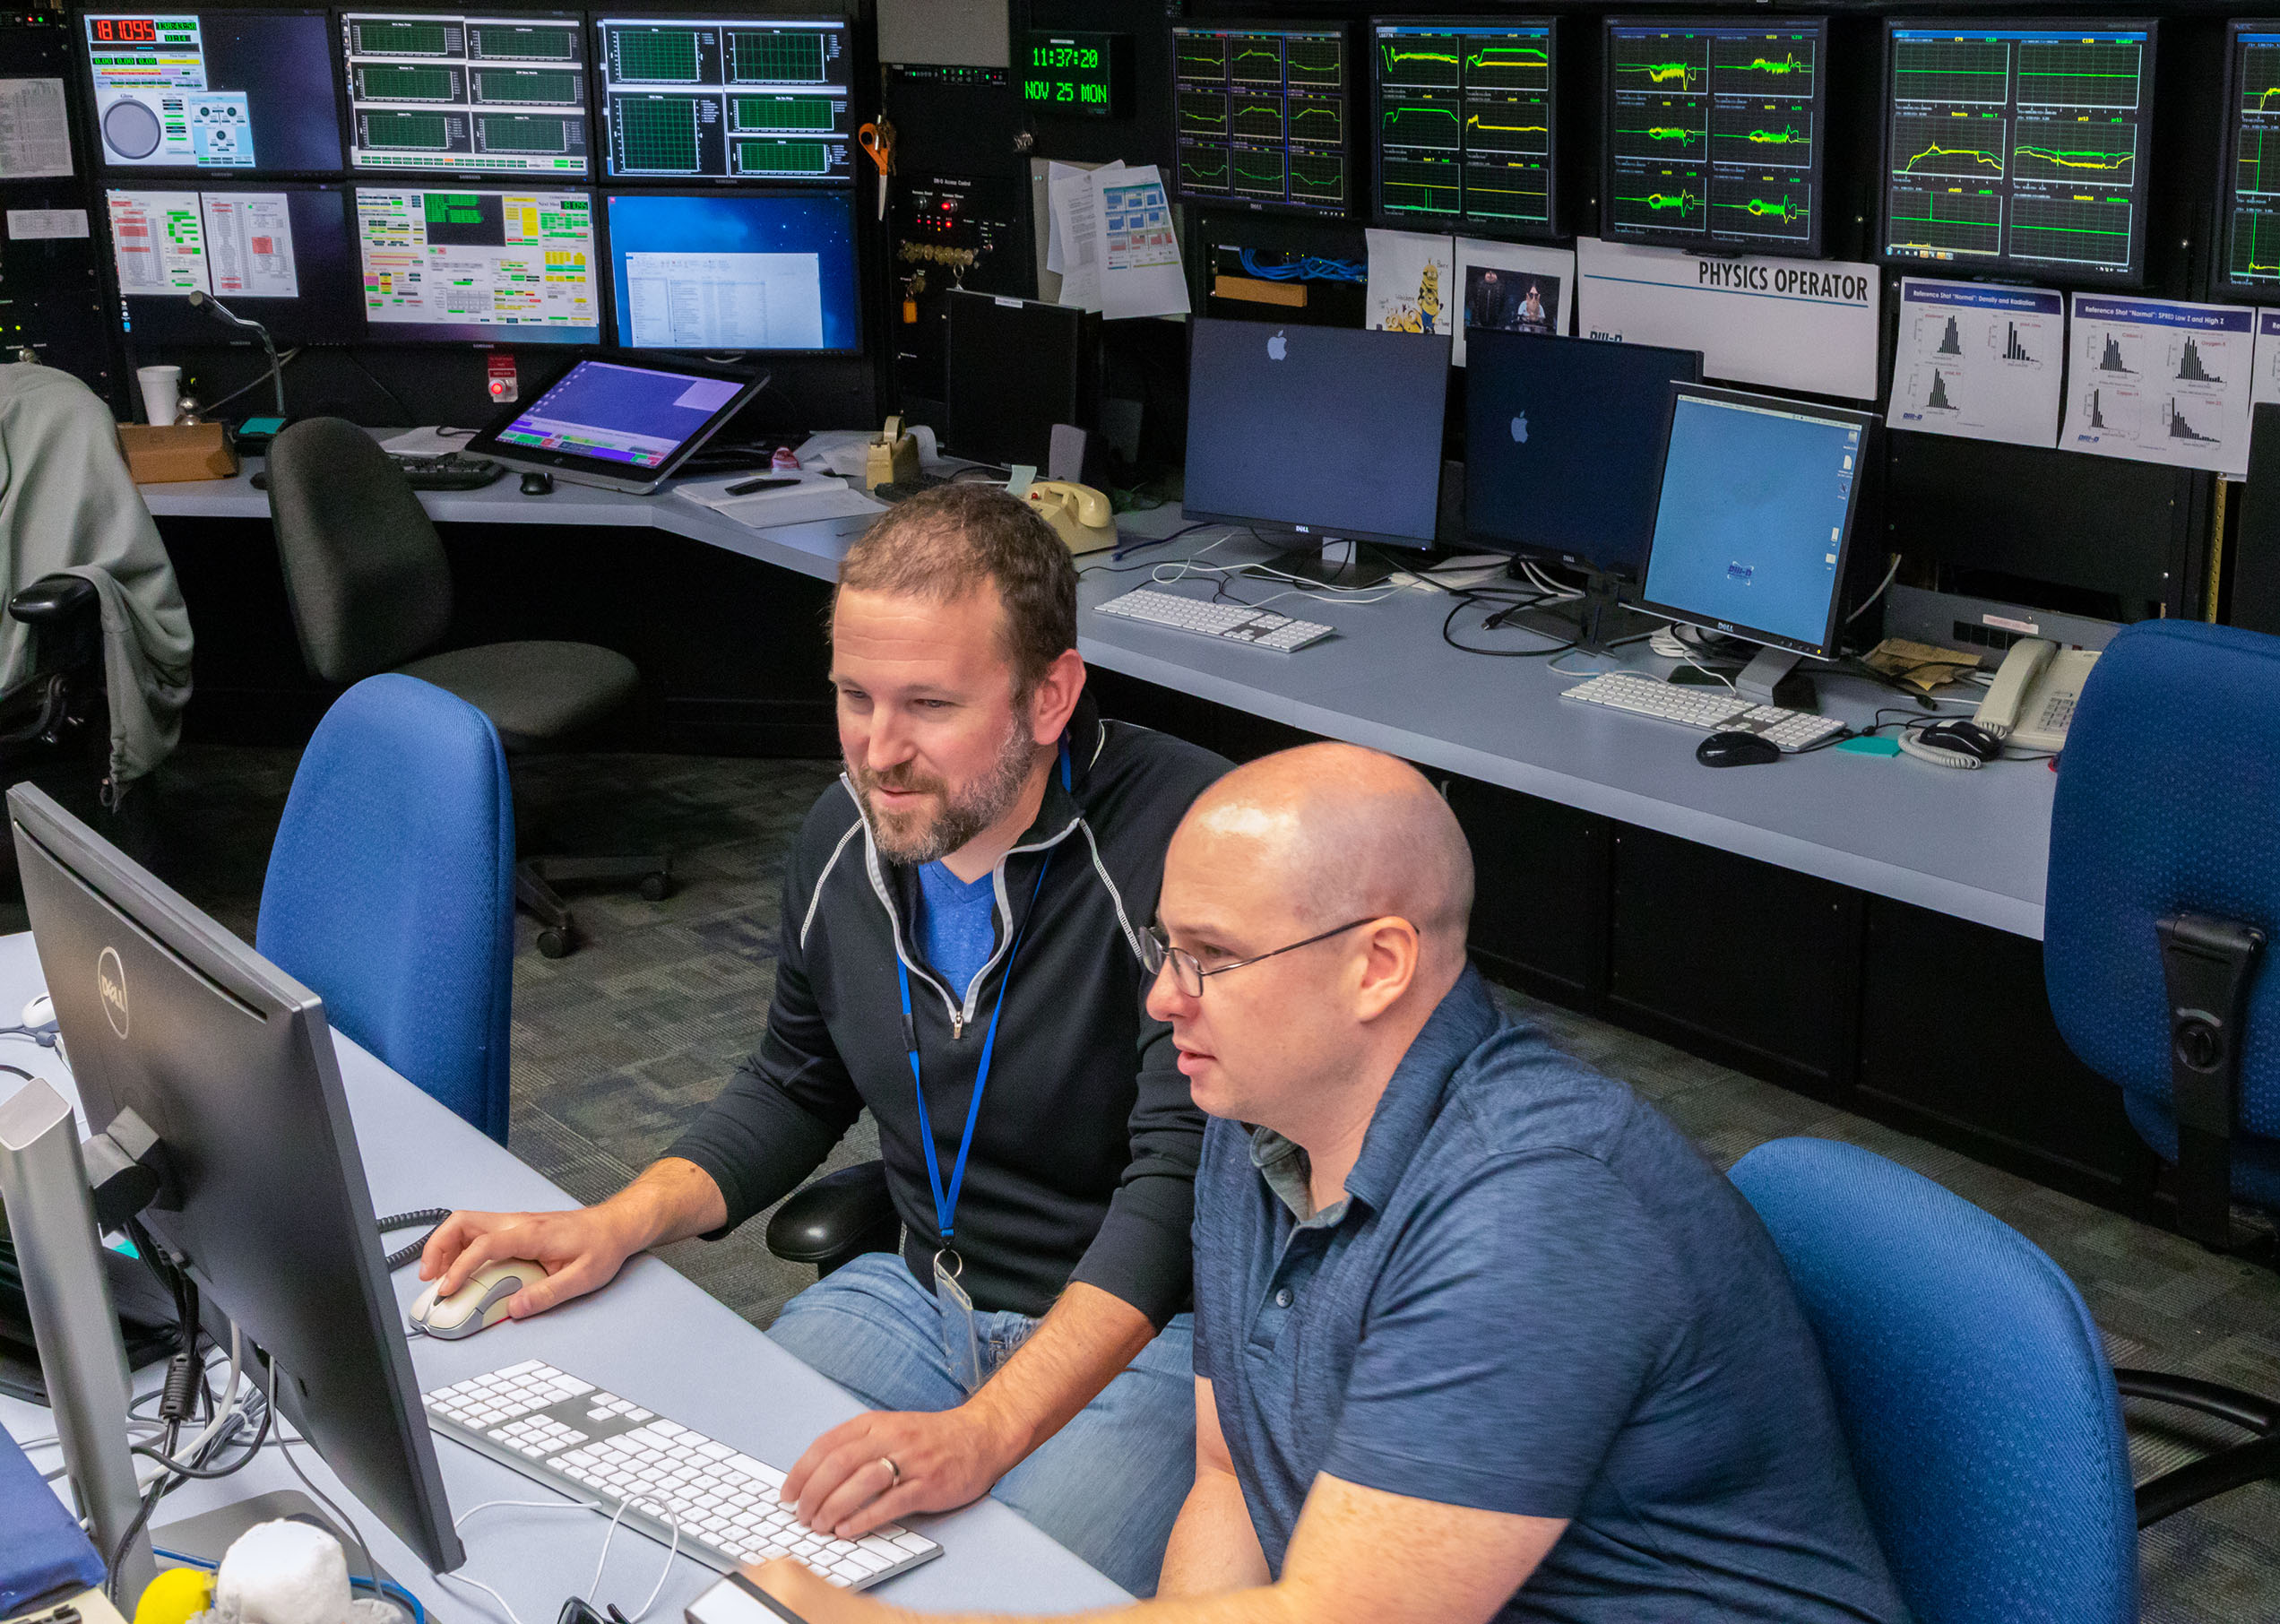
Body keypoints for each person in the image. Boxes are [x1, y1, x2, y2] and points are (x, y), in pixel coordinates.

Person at [737, 744, 1905, 1622]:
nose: (1163, 999)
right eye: (1165, 949)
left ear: (1378, 966)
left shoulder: (1536, 1215)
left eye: (1214, 960)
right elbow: (1233, 1475)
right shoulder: (1262, 1125)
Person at [417, 485, 1231, 1595]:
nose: (877, 754)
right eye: (855, 696)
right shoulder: (846, 836)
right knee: (691, 1537)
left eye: (929, 706)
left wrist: (989, 1430)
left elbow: (1177, 1197)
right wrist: (617, 1223)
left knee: (988, 1595)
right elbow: (796, 1080)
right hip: (917, 1291)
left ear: (1051, 697)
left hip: (1152, 1337)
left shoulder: (1192, 850)